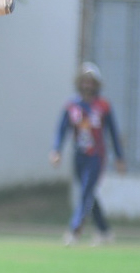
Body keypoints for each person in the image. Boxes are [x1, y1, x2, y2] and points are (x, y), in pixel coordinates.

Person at [49, 61, 127, 245]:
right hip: (79, 155)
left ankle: (74, 230)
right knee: (88, 193)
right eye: (84, 81)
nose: (87, 85)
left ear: (96, 84)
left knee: (86, 192)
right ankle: (104, 231)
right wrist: (56, 150)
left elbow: (113, 132)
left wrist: (119, 157)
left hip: (96, 156)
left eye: (91, 81)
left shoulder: (103, 106)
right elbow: (61, 130)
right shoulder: (72, 106)